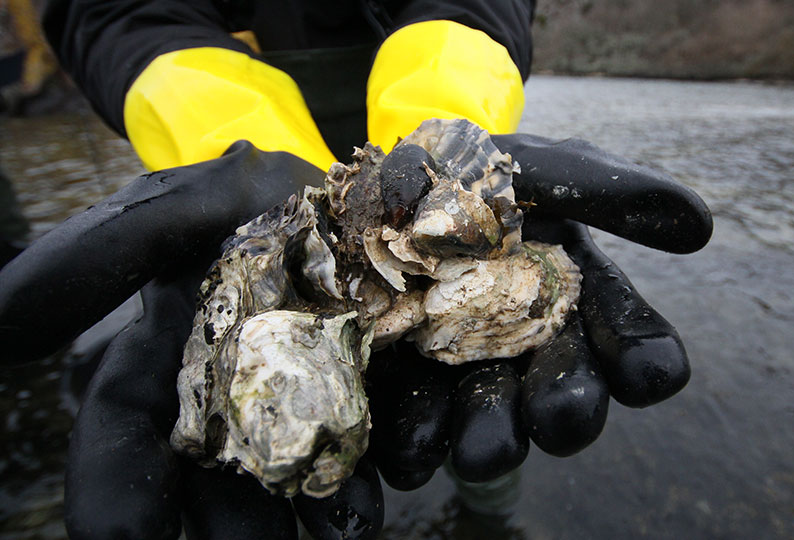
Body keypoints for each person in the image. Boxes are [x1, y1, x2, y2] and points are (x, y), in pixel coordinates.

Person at [0, 1, 713, 538]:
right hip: (230, 92)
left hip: (417, 74)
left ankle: (485, 511)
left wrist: (445, 135)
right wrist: (231, 149)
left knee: (501, 410)